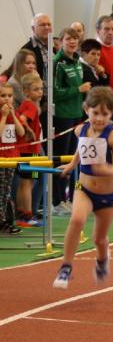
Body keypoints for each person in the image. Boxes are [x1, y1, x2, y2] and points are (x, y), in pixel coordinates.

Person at [53, 87, 113, 288]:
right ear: (87, 110)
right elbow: (82, 148)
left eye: (105, 114)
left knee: (99, 239)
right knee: (77, 219)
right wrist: (71, 165)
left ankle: (102, 260)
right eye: (95, 113)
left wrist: (106, 169)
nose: (100, 119)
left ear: (112, 114)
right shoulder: (81, 130)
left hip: (108, 195)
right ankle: (66, 267)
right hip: (84, 189)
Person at [15, 73, 45, 227]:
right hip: (30, 150)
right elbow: (22, 119)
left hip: (23, 149)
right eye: (36, 89)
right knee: (28, 182)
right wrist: (29, 129)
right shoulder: (31, 106)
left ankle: (21, 213)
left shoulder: (25, 105)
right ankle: (27, 215)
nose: (40, 92)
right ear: (26, 91)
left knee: (23, 183)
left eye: (41, 89)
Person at [0, 83, 26, 234]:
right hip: (1, 158)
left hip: (11, 158)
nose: (7, 99)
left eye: (9, 96)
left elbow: (21, 132)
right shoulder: (2, 114)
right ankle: (2, 220)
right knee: (1, 190)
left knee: (6, 190)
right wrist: (4, 116)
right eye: (3, 96)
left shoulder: (13, 113)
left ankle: (4, 220)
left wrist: (13, 116)